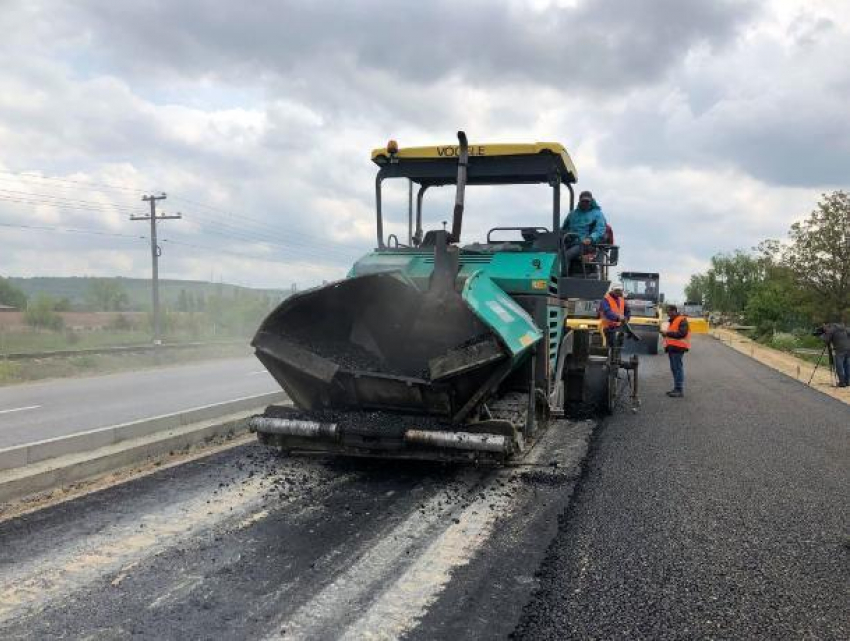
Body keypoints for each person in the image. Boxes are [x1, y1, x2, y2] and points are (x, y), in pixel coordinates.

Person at [562, 190, 607, 264]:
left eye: (587, 201)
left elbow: (600, 229)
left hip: (586, 244)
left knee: (566, 255)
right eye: (583, 201)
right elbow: (564, 229)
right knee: (555, 252)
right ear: (579, 201)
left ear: (591, 201)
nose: (585, 203)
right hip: (570, 242)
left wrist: (590, 238)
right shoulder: (572, 214)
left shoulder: (597, 214)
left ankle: (561, 274)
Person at [662, 304, 690, 397]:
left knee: (677, 368)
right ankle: (676, 388)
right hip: (672, 348)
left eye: (669, 312)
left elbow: (682, 333)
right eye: (667, 312)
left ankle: (679, 389)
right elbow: (671, 334)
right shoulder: (672, 320)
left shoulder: (682, 320)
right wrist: (665, 334)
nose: (668, 314)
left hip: (678, 347)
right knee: (674, 368)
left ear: (674, 311)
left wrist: (668, 333)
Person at [598, 282, 631, 347]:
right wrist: (618, 317)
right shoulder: (605, 300)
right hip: (608, 327)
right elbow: (607, 312)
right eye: (617, 290)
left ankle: (616, 356)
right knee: (612, 345)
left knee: (619, 346)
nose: (618, 292)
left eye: (620, 290)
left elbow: (627, 311)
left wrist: (626, 318)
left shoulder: (622, 299)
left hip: (619, 327)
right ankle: (611, 355)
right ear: (612, 290)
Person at [819, 322, 850, 387]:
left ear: (826, 325)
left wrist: (821, 335)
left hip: (839, 350)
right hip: (848, 348)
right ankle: (848, 382)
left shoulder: (832, 329)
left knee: (839, 366)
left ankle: (842, 383)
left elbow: (826, 340)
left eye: (824, 327)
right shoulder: (843, 327)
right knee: (847, 365)